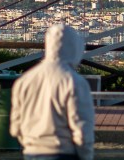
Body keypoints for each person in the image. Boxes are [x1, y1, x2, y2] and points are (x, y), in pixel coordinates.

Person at [10, 23, 95, 160]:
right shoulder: (74, 82)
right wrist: (86, 155)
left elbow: (15, 127)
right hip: (63, 152)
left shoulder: (24, 81)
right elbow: (82, 128)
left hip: (31, 152)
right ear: (75, 48)